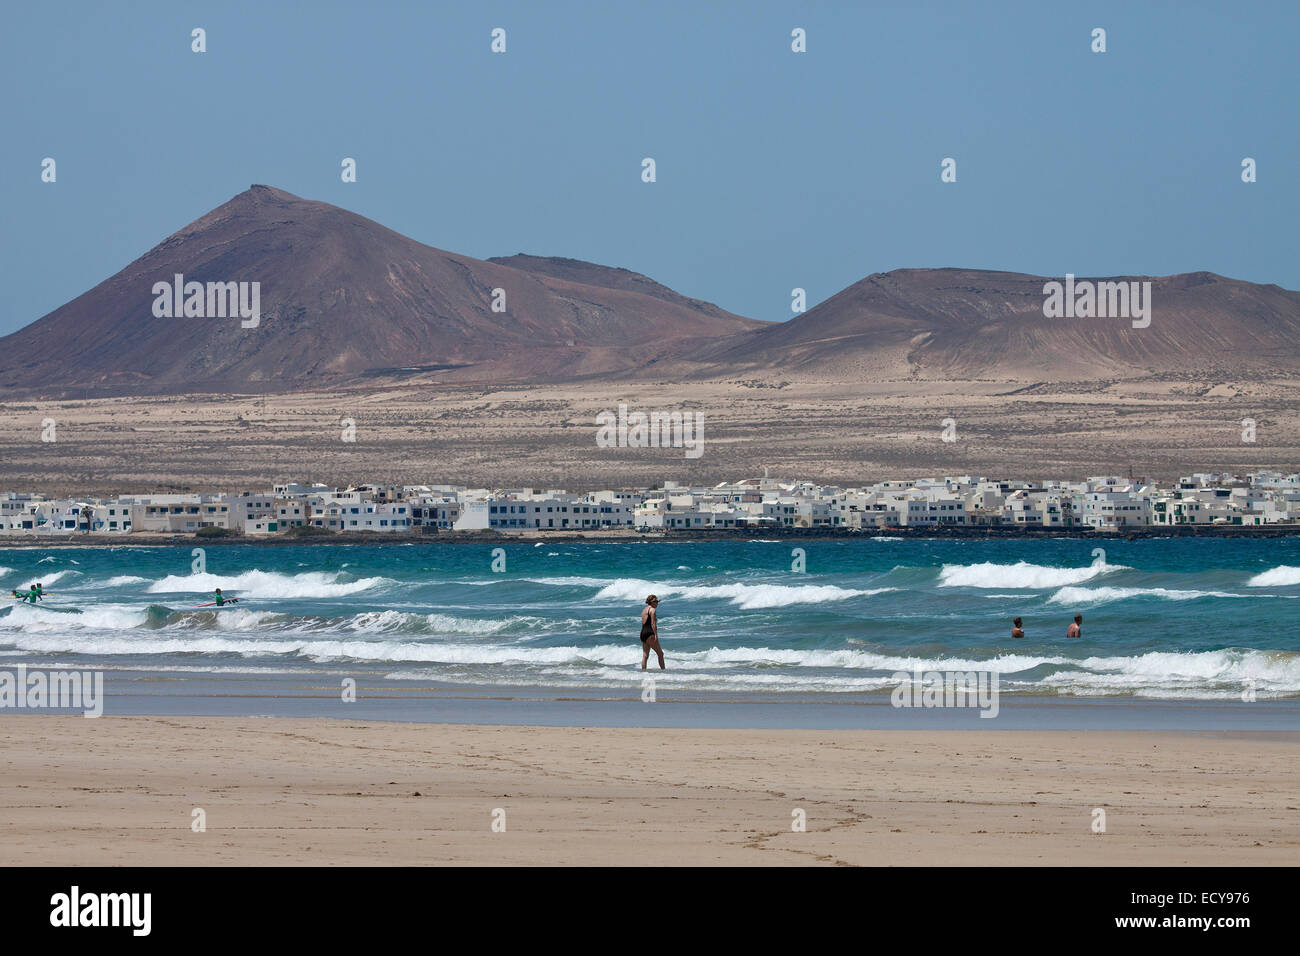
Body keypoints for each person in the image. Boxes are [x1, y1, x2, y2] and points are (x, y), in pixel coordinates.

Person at [640, 594, 664, 671]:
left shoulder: (644, 610)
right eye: (656, 602)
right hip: (650, 633)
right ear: (652, 602)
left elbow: (643, 623)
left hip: (643, 633)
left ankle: (643, 672)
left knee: (645, 655)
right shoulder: (653, 610)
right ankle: (664, 671)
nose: (657, 603)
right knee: (660, 654)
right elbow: (653, 624)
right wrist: (656, 635)